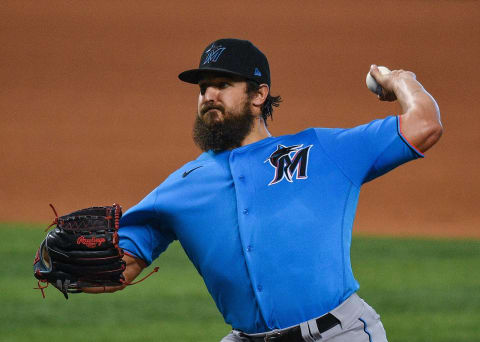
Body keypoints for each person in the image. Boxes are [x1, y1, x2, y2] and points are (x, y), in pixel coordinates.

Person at [85, 38, 443, 342]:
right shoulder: (180, 187)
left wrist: (401, 80)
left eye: (222, 84)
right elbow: (122, 265)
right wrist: (67, 267)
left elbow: (424, 124)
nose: (208, 94)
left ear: (259, 95)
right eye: (202, 88)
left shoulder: (322, 150)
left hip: (339, 334)